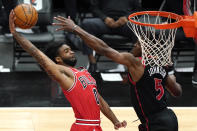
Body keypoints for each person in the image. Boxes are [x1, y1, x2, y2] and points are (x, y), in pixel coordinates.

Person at [53, 16, 182, 131]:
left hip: (156, 123)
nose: (134, 45)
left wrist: (76, 28)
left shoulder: (136, 63)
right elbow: (177, 92)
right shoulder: (160, 65)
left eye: (137, 44)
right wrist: (171, 75)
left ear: (144, 47)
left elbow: (103, 49)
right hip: (169, 118)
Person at [9, 11, 127, 131]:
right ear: (58, 59)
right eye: (66, 51)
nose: (72, 52)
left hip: (95, 126)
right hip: (84, 126)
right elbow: (36, 53)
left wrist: (115, 120)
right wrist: (15, 34)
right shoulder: (63, 74)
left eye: (70, 49)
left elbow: (100, 101)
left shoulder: (84, 72)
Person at [79, 0, 141, 72]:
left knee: (139, 28)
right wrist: (104, 18)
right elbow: (94, 8)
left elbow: (138, 11)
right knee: (86, 24)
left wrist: (127, 18)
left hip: (125, 23)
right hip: (105, 22)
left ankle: (131, 62)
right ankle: (92, 63)